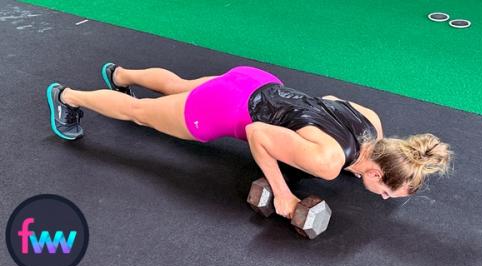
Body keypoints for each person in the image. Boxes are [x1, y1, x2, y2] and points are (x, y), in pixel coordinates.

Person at [45, 64, 453, 219]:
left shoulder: (372, 124)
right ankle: (66, 97)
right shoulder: (329, 162)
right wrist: (284, 195)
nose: (381, 197)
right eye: (384, 190)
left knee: (181, 84)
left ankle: (119, 75)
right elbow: (259, 134)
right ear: (377, 168)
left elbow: (328, 103)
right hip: (229, 109)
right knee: (140, 115)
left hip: (259, 81)